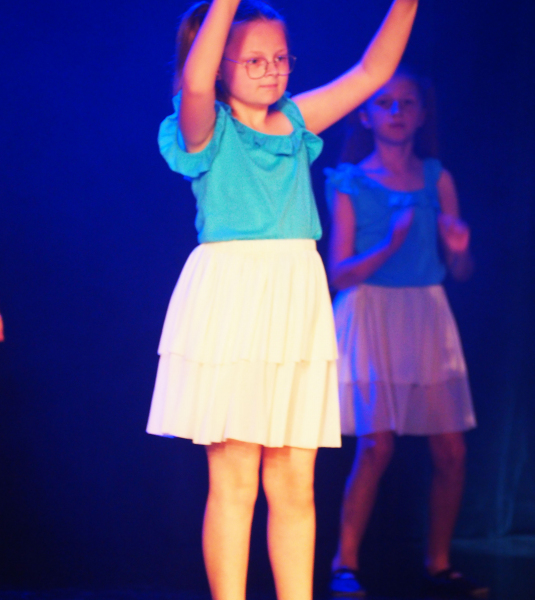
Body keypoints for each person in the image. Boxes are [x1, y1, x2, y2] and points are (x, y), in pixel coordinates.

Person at [146, 3, 419, 600]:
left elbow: (371, 72)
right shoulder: (205, 127)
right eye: (253, 60)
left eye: (279, 58)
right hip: (234, 298)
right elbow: (195, 82)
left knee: (295, 481)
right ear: (220, 66)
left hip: (296, 298)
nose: (271, 70)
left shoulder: (296, 121)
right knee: (236, 479)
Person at [326, 68, 488, 598]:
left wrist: (460, 251)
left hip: (425, 313)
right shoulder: (349, 181)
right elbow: (339, 272)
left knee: (452, 450)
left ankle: (438, 562)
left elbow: (458, 270)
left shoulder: (437, 178)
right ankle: (345, 562)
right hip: (370, 313)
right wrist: (390, 245)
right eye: (385, 103)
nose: (396, 112)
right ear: (364, 115)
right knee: (376, 445)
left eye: (407, 103)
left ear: (421, 115)